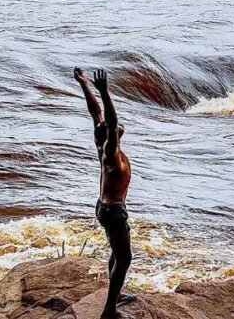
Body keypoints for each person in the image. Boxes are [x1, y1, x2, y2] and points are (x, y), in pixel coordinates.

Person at [75, 68, 134, 319]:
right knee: (124, 258)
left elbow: (96, 112)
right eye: (116, 128)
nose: (119, 127)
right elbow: (109, 121)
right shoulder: (111, 152)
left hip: (105, 206)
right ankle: (109, 311)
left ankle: (115, 292)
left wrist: (84, 85)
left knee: (116, 251)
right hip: (113, 211)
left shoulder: (101, 143)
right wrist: (105, 91)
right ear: (112, 136)